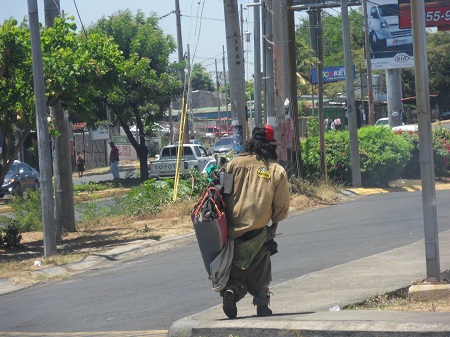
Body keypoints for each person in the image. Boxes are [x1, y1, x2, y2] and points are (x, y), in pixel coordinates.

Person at [221, 124, 290, 319]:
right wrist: (273, 225)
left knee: (235, 272)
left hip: (231, 232)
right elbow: (281, 208)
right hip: (258, 230)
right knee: (261, 266)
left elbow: (224, 192)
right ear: (270, 146)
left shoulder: (232, 165)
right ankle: (261, 302)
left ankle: (232, 291)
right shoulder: (276, 170)